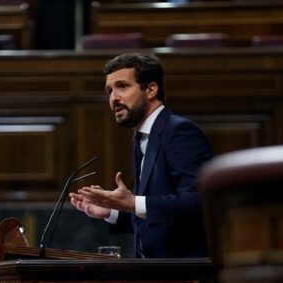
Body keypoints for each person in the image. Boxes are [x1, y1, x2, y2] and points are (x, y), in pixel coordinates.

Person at [69, 53, 213, 258]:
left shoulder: (179, 131)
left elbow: (199, 202)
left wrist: (132, 203)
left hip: (183, 275)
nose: (114, 98)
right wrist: (112, 210)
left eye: (122, 87)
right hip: (152, 275)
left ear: (151, 90)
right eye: (110, 90)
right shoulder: (143, 137)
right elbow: (156, 214)